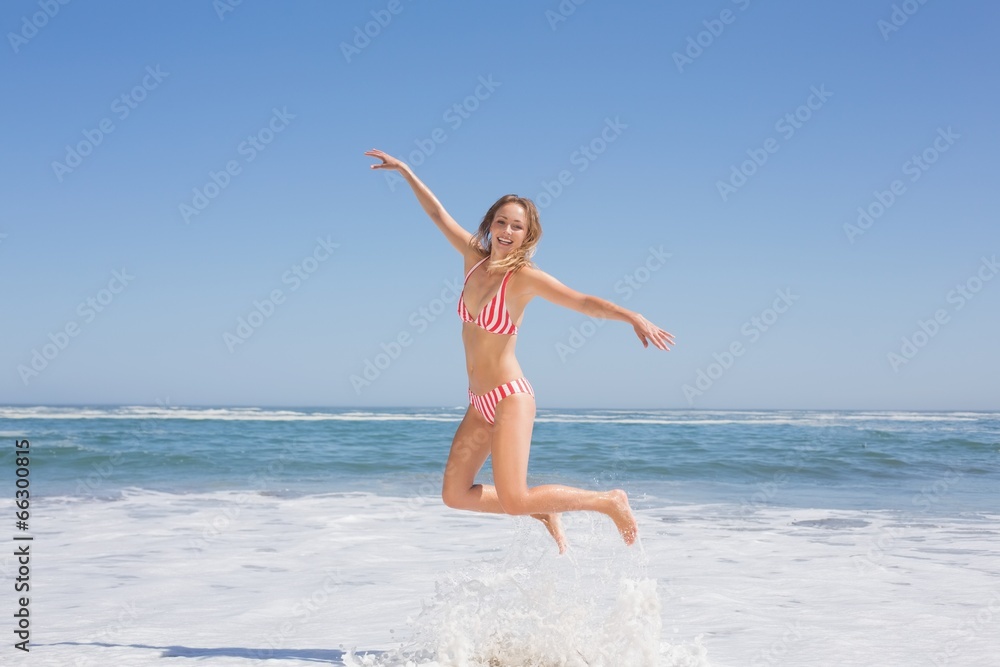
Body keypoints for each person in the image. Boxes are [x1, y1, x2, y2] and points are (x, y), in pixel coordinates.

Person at [365, 149, 674, 553]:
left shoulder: (524, 278)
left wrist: (630, 315)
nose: (507, 231)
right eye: (501, 222)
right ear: (490, 226)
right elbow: (438, 215)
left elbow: (581, 302)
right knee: (455, 495)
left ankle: (608, 501)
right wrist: (406, 173)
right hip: (479, 401)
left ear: (527, 235)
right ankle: (543, 509)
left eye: (517, 226)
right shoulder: (472, 259)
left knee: (515, 498)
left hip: (511, 396)